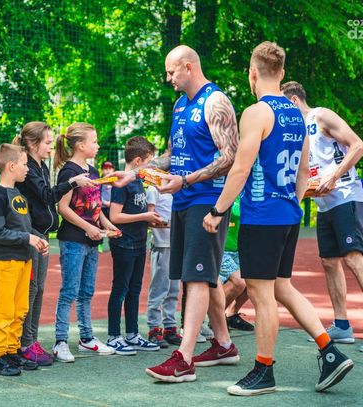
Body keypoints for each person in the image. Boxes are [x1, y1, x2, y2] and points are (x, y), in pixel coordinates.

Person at [202, 41, 353, 396]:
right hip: (288, 213)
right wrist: (291, 204)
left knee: (261, 293)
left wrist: (218, 210)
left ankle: (264, 370)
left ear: (252, 73)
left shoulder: (256, 113)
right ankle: (330, 351)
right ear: (282, 73)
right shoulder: (298, 115)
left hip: (262, 215)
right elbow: (304, 172)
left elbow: (241, 168)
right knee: (282, 287)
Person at [141, 45, 239, 383]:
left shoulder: (216, 102)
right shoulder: (180, 105)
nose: (168, 78)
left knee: (196, 278)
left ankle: (183, 358)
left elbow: (230, 157)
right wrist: (139, 171)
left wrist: (187, 180)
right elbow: (173, 154)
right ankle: (224, 344)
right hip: (182, 199)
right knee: (203, 275)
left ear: (188, 67)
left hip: (206, 199)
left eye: (171, 72)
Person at [282, 81, 363, 352]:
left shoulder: (321, 115)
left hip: (345, 195)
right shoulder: (297, 131)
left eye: (285, 106)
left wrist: (333, 176)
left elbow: (359, 146)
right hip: (324, 204)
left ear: (294, 101)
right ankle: (342, 325)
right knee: (329, 262)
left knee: (353, 259)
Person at [12, 122, 94, 366]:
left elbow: (47, 197)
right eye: (46, 143)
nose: (51, 147)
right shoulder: (28, 168)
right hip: (31, 233)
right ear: (32, 143)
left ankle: (31, 340)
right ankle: (24, 342)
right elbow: (47, 196)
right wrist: (72, 183)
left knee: (38, 289)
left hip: (43, 234)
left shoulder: (42, 166)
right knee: (30, 289)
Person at [52, 122, 120, 362]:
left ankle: (87, 338)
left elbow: (95, 206)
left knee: (87, 291)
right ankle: (60, 341)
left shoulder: (92, 170)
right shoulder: (69, 172)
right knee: (69, 290)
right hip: (73, 240)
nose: (98, 145)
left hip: (92, 241)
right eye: (94, 141)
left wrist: (106, 224)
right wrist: (88, 227)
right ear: (81, 145)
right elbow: (62, 208)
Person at [0, 143, 49, 376]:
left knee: (20, 308)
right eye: (24, 164)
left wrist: (36, 239)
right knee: (4, 310)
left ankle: (12, 350)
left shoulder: (19, 195)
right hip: (6, 262)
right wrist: (28, 238)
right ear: (11, 166)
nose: (27, 169)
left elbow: (24, 228)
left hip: (24, 261)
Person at [106, 137, 162, 355]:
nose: (151, 166)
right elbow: (115, 216)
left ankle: (132, 333)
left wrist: (150, 220)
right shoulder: (122, 183)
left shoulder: (139, 181)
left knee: (134, 289)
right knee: (120, 289)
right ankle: (113, 336)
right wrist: (145, 216)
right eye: (149, 162)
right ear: (138, 161)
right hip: (124, 243)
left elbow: (137, 211)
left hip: (139, 243)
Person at [145, 184, 182, 348]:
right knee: (159, 288)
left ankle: (170, 327)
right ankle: (154, 328)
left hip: (176, 244)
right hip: (162, 245)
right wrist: (171, 225)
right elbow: (150, 218)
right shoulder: (153, 189)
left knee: (174, 288)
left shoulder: (176, 187)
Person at [220, 198, 253, 331]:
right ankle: (217, 318)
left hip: (238, 248)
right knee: (238, 282)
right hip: (221, 249)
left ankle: (231, 314)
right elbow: (236, 211)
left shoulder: (246, 192)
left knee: (254, 280)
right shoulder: (228, 191)